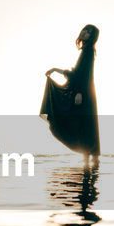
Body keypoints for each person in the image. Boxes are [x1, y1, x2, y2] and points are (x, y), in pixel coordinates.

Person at [40, 24, 100, 166]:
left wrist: (79, 92)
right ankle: (88, 158)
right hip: (85, 91)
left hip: (84, 92)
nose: (85, 33)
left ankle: (93, 159)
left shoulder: (88, 52)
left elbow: (84, 75)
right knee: (83, 124)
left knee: (85, 124)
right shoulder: (86, 51)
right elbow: (76, 74)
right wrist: (55, 69)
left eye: (89, 32)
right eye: (85, 30)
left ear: (92, 37)